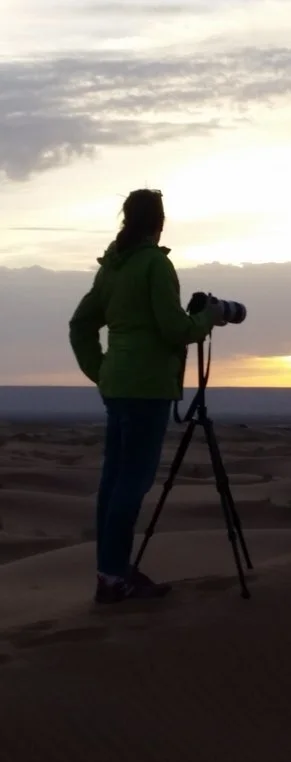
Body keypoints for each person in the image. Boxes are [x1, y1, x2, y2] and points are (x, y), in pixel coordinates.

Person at [69, 188, 224, 605]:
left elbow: (80, 325)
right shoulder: (155, 264)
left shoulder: (111, 270)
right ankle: (115, 577)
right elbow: (175, 329)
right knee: (131, 484)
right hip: (147, 387)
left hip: (118, 386)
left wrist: (101, 372)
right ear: (159, 223)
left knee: (113, 482)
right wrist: (206, 319)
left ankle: (110, 570)